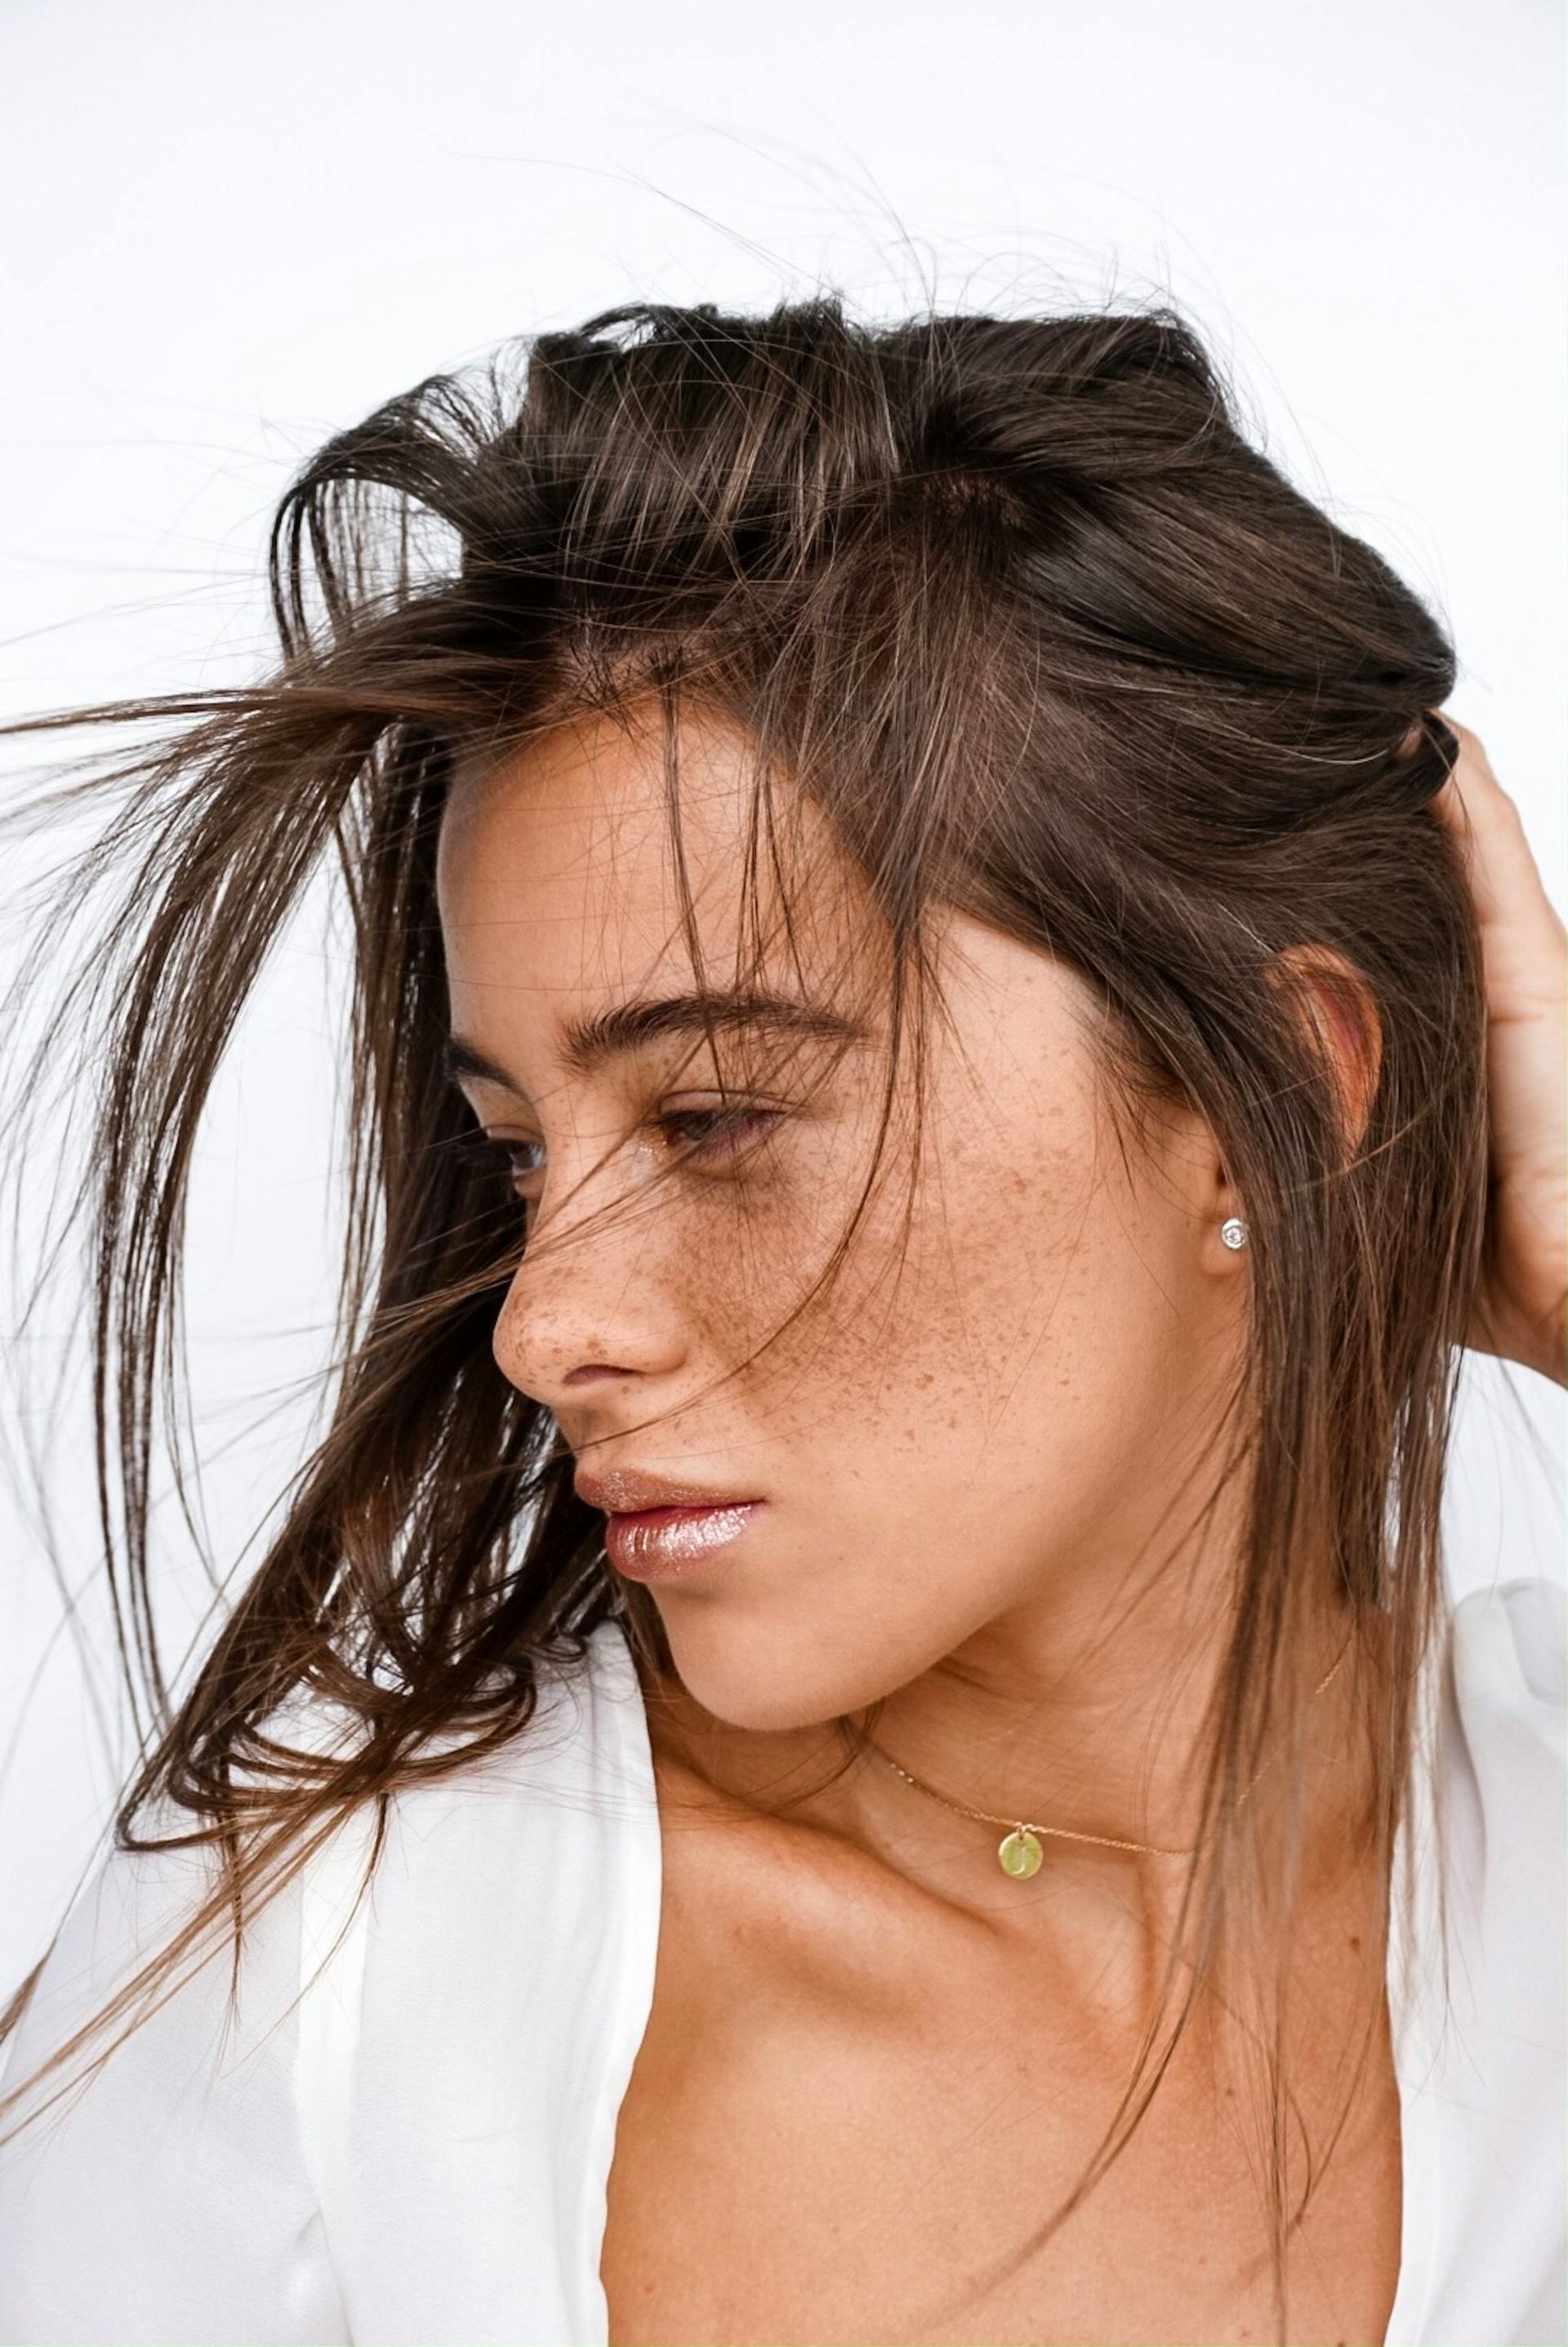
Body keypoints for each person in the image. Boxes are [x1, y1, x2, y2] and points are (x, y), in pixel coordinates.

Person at [0, 298, 1561, 2347]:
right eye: (520, 1152)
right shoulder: (337, 1963)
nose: (543, 1324)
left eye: (719, 1117)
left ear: (1264, 1090)